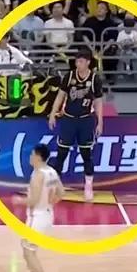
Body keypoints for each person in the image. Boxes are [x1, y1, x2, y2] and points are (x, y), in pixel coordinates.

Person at [47, 48, 104, 201]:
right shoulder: (69, 76)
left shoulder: (94, 79)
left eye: (81, 61)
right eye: (77, 61)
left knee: (86, 155)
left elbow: (98, 102)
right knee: (61, 154)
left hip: (85, 120)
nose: (78, 64)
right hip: (69, 119)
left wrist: (100, 122)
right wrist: (53, 113)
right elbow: (60, 96)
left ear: (88, 62)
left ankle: (88, 186)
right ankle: (55, 186)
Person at [12, 144, 63, 272]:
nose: (30, 157)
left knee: (28, 251)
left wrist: (19, 200)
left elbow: (33, 200)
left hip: (37, 217)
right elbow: (61, 192)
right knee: (28, 248)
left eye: (32, 154)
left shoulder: (38, 175)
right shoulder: (51, 171)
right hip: (47, 215)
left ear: (38, 157)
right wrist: (50, 202)